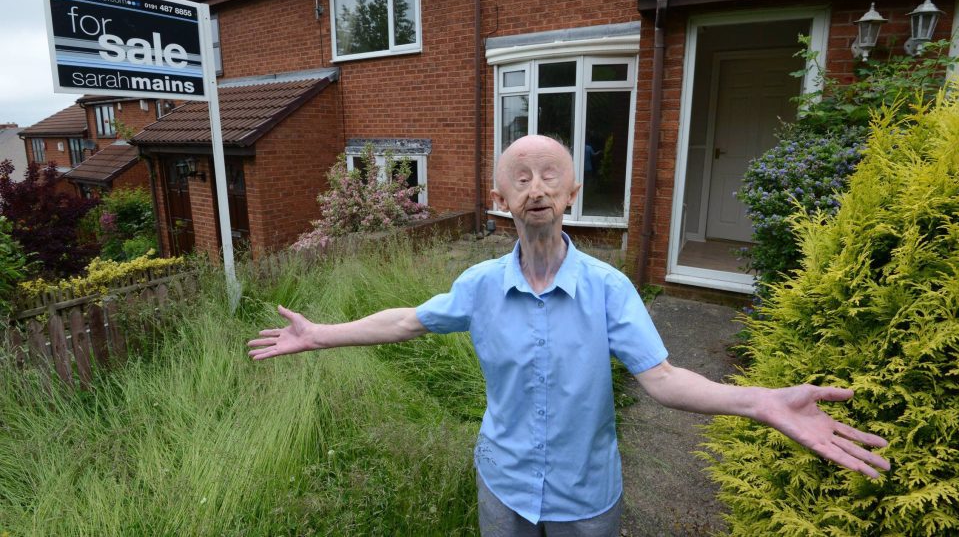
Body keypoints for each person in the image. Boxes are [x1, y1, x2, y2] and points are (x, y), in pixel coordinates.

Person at [248, 135, 889, 536]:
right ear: (499, 196)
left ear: (572, 192)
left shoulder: (610, 289)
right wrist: (323, 334)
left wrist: (761, 400)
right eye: (520, 176)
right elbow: (407, 320)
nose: (536, 187)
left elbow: (662, 380)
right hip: (503, 484)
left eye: (550, 174)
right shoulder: (477, 285)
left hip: (588, 495)